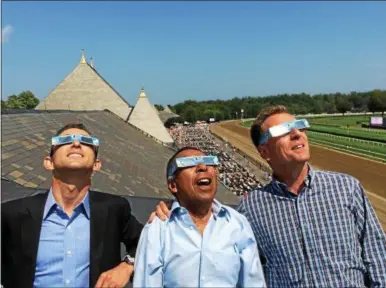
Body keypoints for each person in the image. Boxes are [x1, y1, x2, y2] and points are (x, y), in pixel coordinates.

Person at [151, 105, 386, 287]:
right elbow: (207, 233)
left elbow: (378, 258)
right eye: (283, 131)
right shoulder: (250, 207)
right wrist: (173, 207)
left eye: (299, 126)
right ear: (264, 152)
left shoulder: (347, 187)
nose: (296, 134)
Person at [2, 123, 143, 288]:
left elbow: (148, 242)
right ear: (49, 162)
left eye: (86, 142)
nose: (76, 144)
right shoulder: (11, 214)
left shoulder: (115, 209)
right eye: (65, 140)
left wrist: (126, 266)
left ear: (97, 164)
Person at [133, 147, 266, 287]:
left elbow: (253, 283)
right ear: (173, 185)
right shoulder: (158, 227)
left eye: (209, 161)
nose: (202, 167)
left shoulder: (237, 223)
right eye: (189, 163)